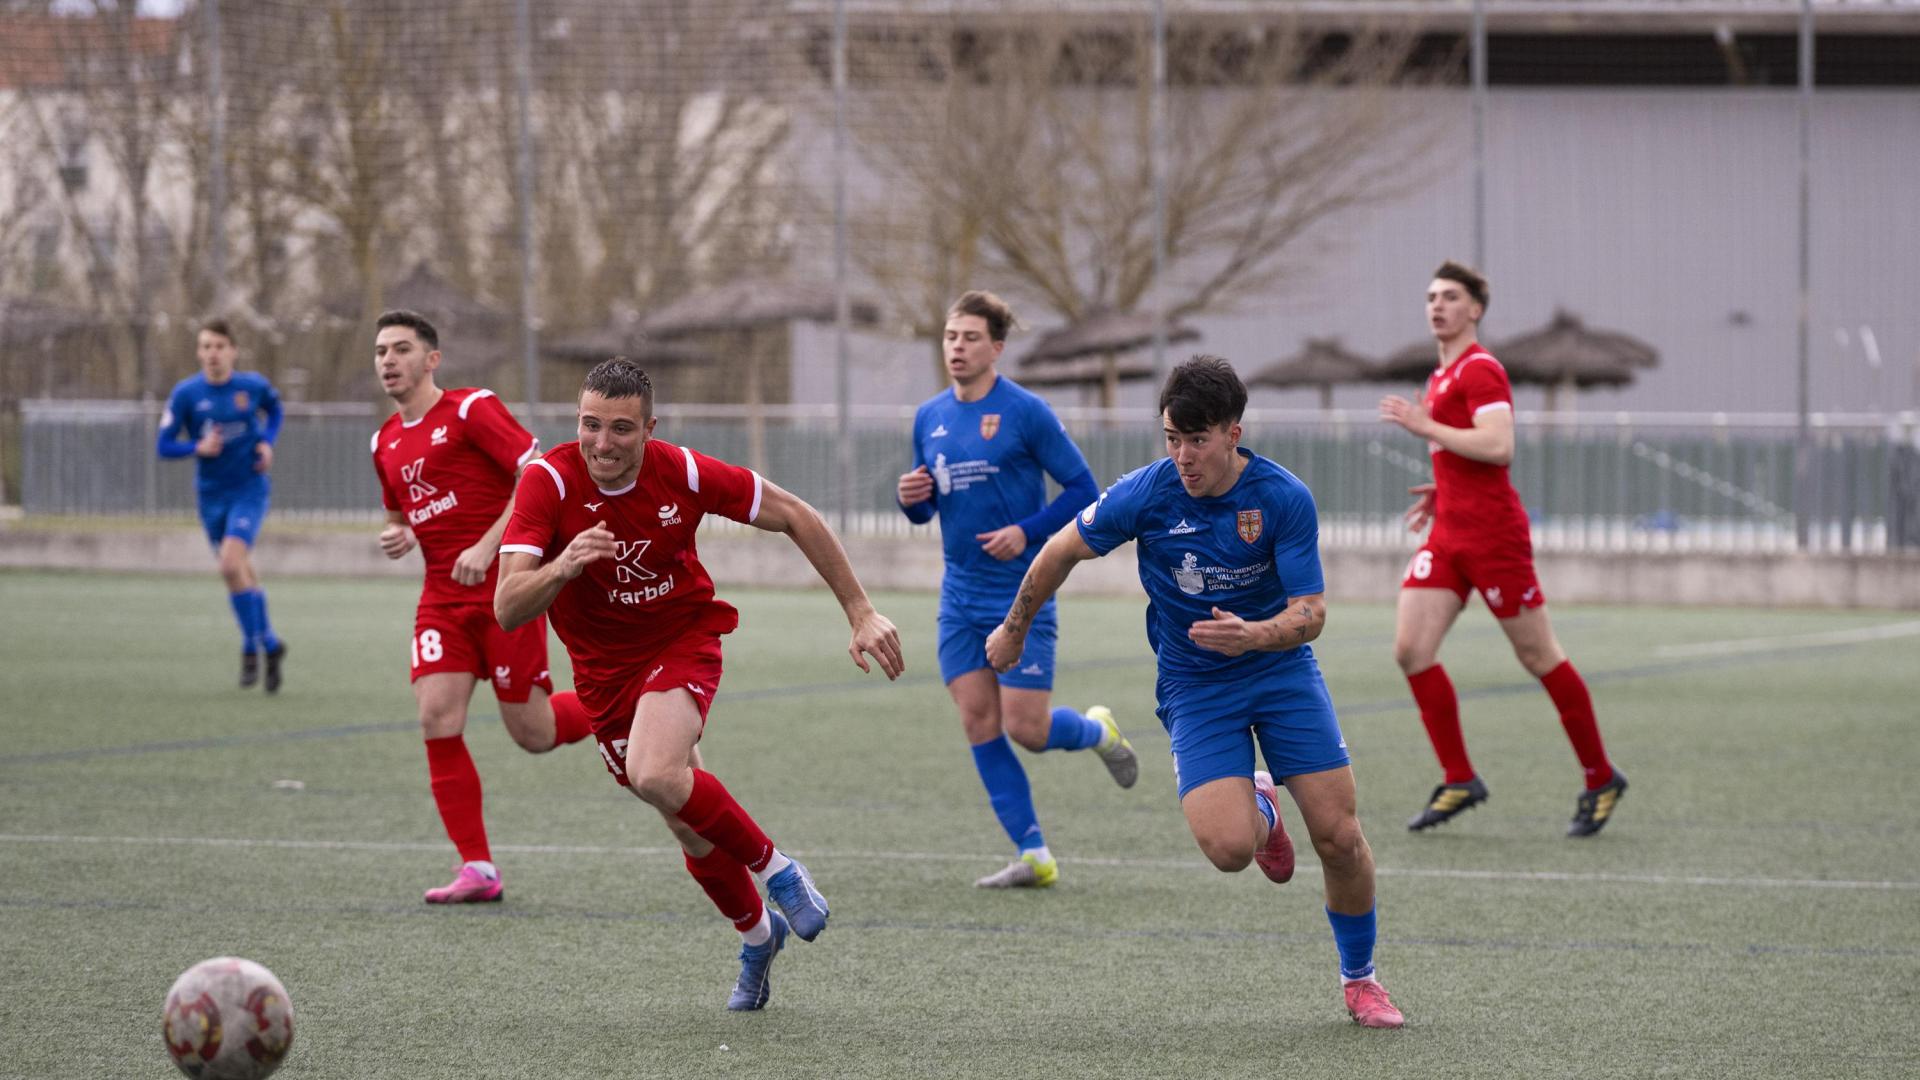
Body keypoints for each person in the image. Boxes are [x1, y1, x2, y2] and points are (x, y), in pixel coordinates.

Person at [987, 355, 1405, 1029]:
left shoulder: (1282, 497)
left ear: (1233, 433)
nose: (1182, 456)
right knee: (1229, 850)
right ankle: (1262, 810)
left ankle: (1360, 980)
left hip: (1280, 671)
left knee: (1339, 837)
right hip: (1195, 685)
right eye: (1172, 439)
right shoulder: (1146, 494)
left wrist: (1254, 635)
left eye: (1197, 440)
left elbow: (1312, 612)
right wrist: (1014, 630)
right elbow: (1059, 550)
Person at [495, 357, 903, 1012]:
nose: (602, 443)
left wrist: (859, 611)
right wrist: (564, 565)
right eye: (590, 425)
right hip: (603, 675)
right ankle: (758, 936)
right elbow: (508, 606)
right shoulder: (548, 481)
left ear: (649, 429)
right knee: (687, 825)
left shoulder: (682, 472)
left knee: (654, 772)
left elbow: (794, 513)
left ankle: (780, 871)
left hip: (682, 639)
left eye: (621, 429)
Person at [897, 290, 1137, 889]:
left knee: (1027, 729)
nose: (957, 347)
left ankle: (1098, 731)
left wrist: (1025, 532)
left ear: (997, 347)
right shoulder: (929, 417)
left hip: (1019, 592)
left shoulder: (1026, 411)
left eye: (970, 337)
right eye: (950, 336)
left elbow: (1084, 491)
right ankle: (1034, 854)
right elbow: (928, 508)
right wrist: (912, 501)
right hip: (959, 596)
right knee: (978, 722)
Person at [1379, 260, 1627, 837]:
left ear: (1475, 310)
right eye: (1431, 297)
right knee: (1411, 650)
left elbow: (1498, 446)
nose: (1438, 306)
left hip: (1494, 539)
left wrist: (1426, 428)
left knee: (1539, 657)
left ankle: (1600, 777)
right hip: (1449, 535)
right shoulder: (1441, 377)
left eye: (1450, 297)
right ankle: (1459, 777)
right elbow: (1468, 454)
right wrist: (1443, 488)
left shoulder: (1481, 369)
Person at [368, 309, 596, 904]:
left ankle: (618, 702)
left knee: (534, 734)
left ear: (431, 359)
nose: (388, 360)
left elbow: (534, 475)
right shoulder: (383, 441)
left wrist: (489, 544)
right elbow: (399, 514)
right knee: (435, 717)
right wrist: (399, 534)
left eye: (401, 349)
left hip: (506, 592)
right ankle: (478, 869)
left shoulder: (471, 409)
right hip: (441, 601)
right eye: (381, 351)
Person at [156, 319, 288, 691]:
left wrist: (267, 443)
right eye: (206, 346)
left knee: (230, 565)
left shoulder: (252, 387)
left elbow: (275, 411)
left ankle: (250, 647)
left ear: (233, 351)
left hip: (249, 489)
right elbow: (164, 445)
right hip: (211, 496)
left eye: (219, 346)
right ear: (199, 352)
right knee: (240, 571)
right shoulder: (186, 394)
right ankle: (270, 644)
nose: (213, 353)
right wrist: (196, 447)